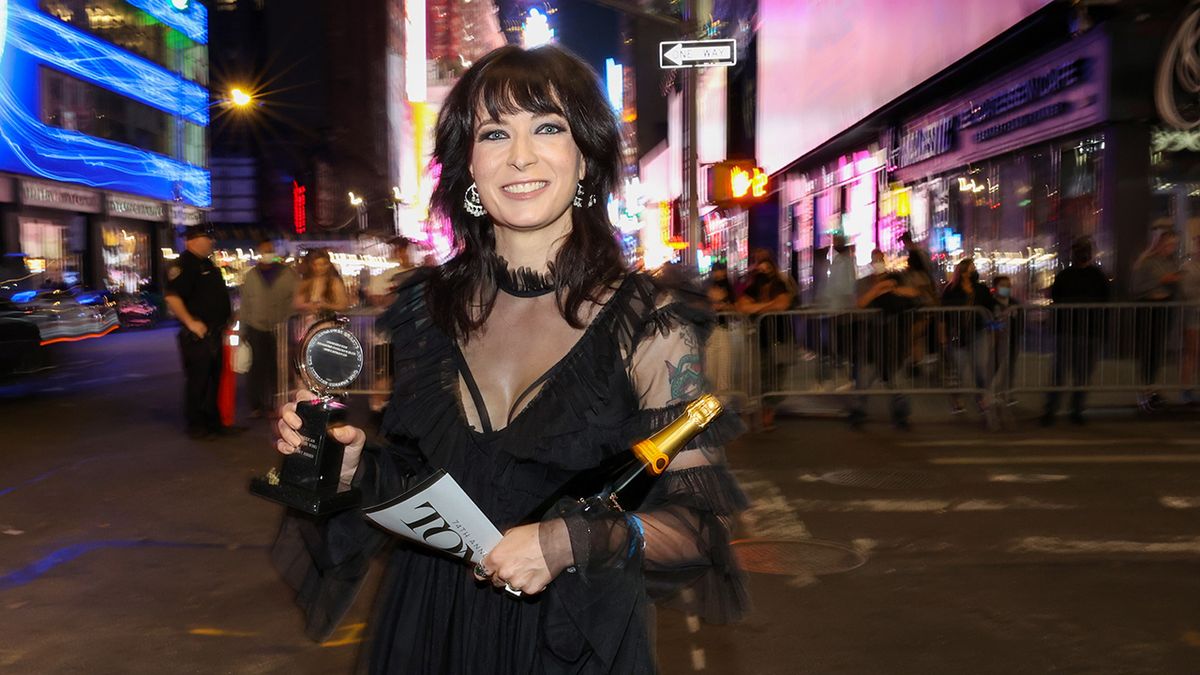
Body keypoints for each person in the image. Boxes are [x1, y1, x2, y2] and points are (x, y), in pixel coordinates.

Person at [271, 44, 746, 673]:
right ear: (469, 167)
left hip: (566, 642)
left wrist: (570, 541)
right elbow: (422, 486)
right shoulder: (423, 311)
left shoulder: (649, 322)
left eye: (547, 127)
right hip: (428, 628)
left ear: (586, 158)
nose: (520, 155)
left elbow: (696, 530)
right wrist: (354, 468)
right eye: (495, 133)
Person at [165, 226, 232, 440]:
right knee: (199, 380)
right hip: (197, 335)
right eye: (207, 238)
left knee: (214, 379)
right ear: (192, 241)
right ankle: (197, 425)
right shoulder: (184, 265)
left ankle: (214, 423)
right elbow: (173, 297)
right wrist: (191, 322)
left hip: (214, 332)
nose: (211, 242)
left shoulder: (208, 264)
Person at [1041, 237, 1111, 426]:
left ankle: (1069, 410)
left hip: (1083, 332)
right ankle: (1062, 410)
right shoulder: (1077, 275)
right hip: (1072, 331)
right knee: (1065, 374)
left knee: (1077, 375)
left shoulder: (1089, 276)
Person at [848, 249, 920, 429]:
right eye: (875, 260)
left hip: (894, 337)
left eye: (881, 259)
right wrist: (879, 289)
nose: (878, 262)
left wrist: (893, 288)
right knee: (864, 380)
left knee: (896, 381)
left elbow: (913, 293)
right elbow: (861, 303)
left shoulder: (896, 277)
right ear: (871, 263)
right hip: (871, 338)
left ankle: (901, 415)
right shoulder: (865, 282)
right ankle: (858, 413)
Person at [736, 254, 797, 430]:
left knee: (778, 376)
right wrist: (768, 306)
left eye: (767, 269)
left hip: (781, 337)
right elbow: (742, 306)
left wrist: (758, 308)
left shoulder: (780, 286)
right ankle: (765, 412)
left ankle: (770, 411)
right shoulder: (753, 288)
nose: (764, 273)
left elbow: (782, 304)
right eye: (760, 270)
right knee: (764, 375)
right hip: (761, 339)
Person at [239, 239, 298, 419]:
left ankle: (276, 403)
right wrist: (243, 330)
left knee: (277, 369)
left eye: (270, 251)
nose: (268, 254)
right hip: (256, 327)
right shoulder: (251, 276)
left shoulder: (287, 274)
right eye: (264, 251)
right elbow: (245, 305)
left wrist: (287, 319)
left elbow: (295, 299)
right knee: (257, 368)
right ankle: (256, 404)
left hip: (281, 328)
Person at [940, 258, 997, 421]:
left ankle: (982, 402)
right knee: (959, 371)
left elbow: (990, 311)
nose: (974, 270)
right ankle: (957, 400)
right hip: (958, 334)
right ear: (963, 271)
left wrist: (993, 331)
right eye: (971, 268)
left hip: (978, 333)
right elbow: (943, 314)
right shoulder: (951, 290)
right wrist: (943, 335)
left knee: (979, 367)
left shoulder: (981, 289)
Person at [1131, 228, 1181, 411]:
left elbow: (1175, 282)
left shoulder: (1170, 262)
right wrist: (1163, 281)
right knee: (1148, 350)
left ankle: (1151, 389)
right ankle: (1145, 390)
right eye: (1169, 244)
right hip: (1148, 308)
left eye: (1174, 245)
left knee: (1157, 349)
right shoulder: (1147, 261)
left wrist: (1173, 282)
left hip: (1163, 308)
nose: (1171, 248)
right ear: (1160, 244)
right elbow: (1138, 286)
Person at [990, 275, 1022, 406]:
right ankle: (988, 393)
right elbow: (988, 321)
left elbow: (1020, 321)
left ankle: (1006, 393)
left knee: (1010, 367)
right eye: (1003, 285)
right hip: (995, 340)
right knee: (992, 367)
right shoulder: (990, 304)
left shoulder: (1015, 303)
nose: (1006, 288)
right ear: (995, 287)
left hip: (1012, 339)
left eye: (1008, 285)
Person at [293, 248, 350, 317]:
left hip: (327, 320)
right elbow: (296, 303)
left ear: (328, 265)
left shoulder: (333, 282)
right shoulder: (307, 282)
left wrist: (326, 305)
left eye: (322, 264)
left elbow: (343, 305)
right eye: (315, 265)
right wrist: (306, 306)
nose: (319, 268)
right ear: (311, 265)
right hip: (307, 321)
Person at [1181, 234, 1200, 405]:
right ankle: (1186, 390)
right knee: (1192, 351)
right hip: (1193, 313)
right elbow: (1187, 291)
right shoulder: (1189, 267)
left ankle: (1188, 389)